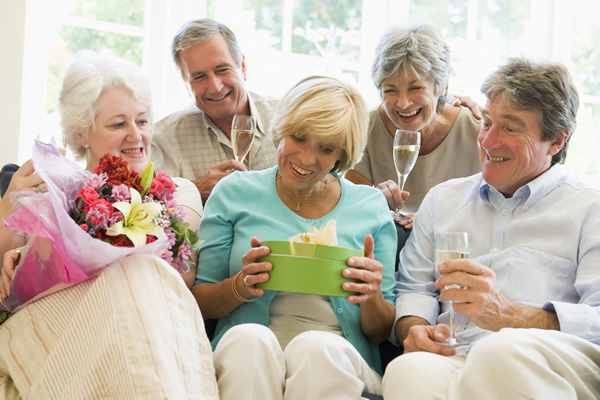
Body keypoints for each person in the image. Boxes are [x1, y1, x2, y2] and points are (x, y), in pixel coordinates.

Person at [0, 50, 218, 399]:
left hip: (143, 324)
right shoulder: (43, 188)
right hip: (62, 327)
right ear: (82, 133)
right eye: (119, 124)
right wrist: (13, 227)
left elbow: (178, 275)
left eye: (143, 121)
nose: (137, 135)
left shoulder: (177, 192)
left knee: (143, 271)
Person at [382, 57, 600, 399]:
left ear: (556, 141)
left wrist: (511, 315)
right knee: (407, 369)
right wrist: (415, 328)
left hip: (551, 360)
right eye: (486, 123)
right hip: (457, 353)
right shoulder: (443, 200)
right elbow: (415, 289)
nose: (487, 141)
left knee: (499, 350)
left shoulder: (591, 210)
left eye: (510, 128)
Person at [192, 75, 397, 398]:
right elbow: (199, 302)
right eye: (299, 138)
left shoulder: (370, 207)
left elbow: (382, 332)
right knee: (248, 339)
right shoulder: (234, 193)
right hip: (248, 351)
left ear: (342, 155)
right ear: (282, 130)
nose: (305, 158)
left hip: (338, 356)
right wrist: (240, 285)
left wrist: (372, 296)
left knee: (315, 348)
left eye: (326, 149)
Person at [346, 24, 482, 252]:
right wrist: (373, 200)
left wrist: (436, 217)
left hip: (452, 246)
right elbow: (350, 210)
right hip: (388, 249)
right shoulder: (365, 128)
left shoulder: (476, 131)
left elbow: (496, 210)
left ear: (441, 87)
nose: (403, 103)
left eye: (415, 88)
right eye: (390, 90)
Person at [151, 18, 279, 203]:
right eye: (199, 76)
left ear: (242, 66)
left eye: (222, 69)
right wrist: (195, 190)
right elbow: (148, 209)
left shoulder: (290, 117)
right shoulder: (164, 139)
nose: (215, 87)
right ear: (187, 86)